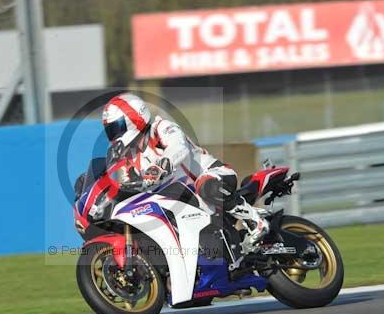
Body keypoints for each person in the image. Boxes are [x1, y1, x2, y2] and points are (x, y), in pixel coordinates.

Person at [102, 92, 269, 244]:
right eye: (111, 131)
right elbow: (127, 187)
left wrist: (159, 168)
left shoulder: (161, 128)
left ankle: (255, 221)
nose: (114, 135)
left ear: (135, 117)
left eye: (117, 127)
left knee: (205, 185)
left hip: (213, 176)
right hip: (182, 200)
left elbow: (178, 148)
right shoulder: (130, 161)